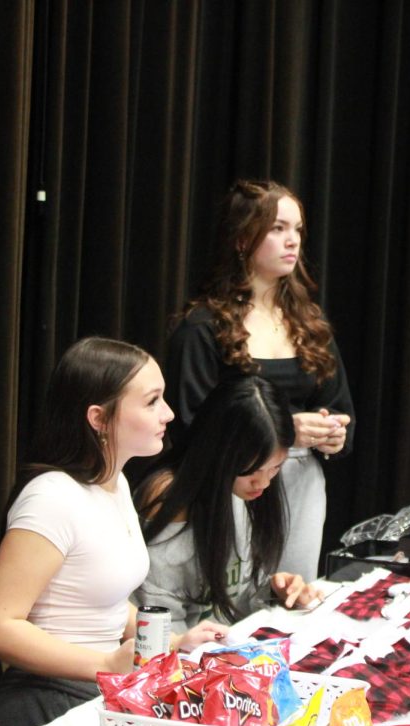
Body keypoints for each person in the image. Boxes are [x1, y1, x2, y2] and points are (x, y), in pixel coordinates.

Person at [0, 337, 228, 726]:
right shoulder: (51, 497)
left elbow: (104, 605)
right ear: (99, 418)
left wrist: (169, 642)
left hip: (96, 692)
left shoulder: (117, 484)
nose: (169, 413)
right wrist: (107, 665)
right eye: (151, 401)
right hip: (44, 706)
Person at [165, 179, 355, 580]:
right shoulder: (202, 327)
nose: (292, 241)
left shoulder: (309, 324)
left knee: (291, 592)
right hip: (232, 483)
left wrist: (335, 434)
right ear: (242, 239)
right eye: (277, 228)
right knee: (234, 596)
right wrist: (281, 431)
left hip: (301, 483)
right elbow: (188, 426)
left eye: (298, 230)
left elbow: (340, 408)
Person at [134, 376, 323, 631]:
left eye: (275, 468)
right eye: (252, 470)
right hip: (178, 654)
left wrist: (272, 589)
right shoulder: (169, 496)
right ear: (222, 454)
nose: (264, 483)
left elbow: (232, 594)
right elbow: (157, 616)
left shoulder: (239, 489)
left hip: (221, 647)